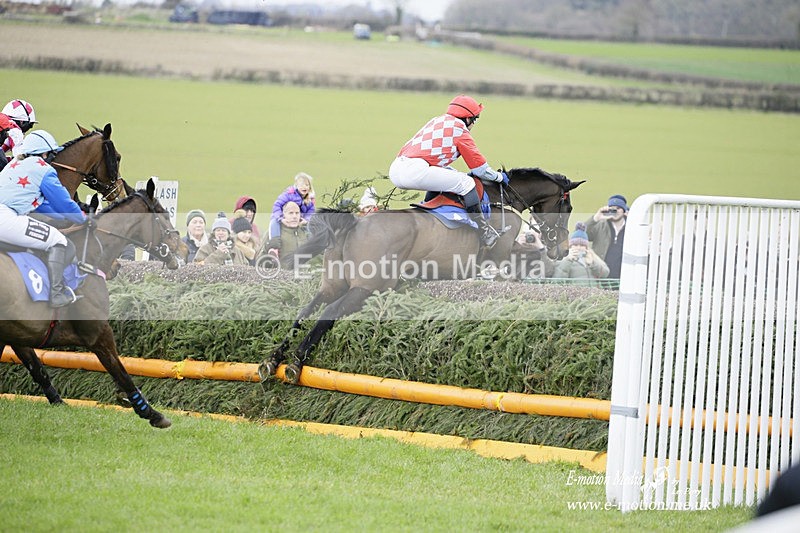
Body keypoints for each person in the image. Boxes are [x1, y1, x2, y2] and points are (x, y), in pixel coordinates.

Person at [388, 94, 508, 247]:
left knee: (450, 175)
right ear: (468, 118)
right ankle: (485, 232)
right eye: (475, 119)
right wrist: (499, 177)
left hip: (397, 167)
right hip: (414, 170)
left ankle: (427, 208)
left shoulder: (437, 121)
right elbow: (480, 170)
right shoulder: (461, 131)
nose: (473, 124)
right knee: (467, 183)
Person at [0, 130, 85, 307]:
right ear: (45, 153)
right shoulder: (44, 169)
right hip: (6, 219)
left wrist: (64, 218)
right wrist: (83, 219)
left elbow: (40, 205)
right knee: (59, 241)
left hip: (7, 216)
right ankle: (56, 294)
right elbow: (64, 203)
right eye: (52, 153)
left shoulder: (14, 164)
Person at [585, 194, 628, 279]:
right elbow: (582, 235)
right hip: (601, 275)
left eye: (618, 208)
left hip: (624, 276)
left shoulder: (631, 227)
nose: (615, 211)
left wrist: (633, 219)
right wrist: (595, 218)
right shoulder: (600, 225)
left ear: (624, 211)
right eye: (612, 209)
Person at [259, 201, 310, 268]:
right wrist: (268, 248)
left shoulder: (304, 232)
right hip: (282, 276)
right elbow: (259, 260)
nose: (294, 216)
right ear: (283, 215)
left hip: (304, 275)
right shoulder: (272, 233)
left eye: (297, 213)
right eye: (291, 213)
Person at [269, 172, 315, 239]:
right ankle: (274, 244)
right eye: (301, 185)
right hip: (283, 217)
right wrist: (280, 218)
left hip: (298, 219)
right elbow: (277, 205)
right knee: (274, 223)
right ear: (296, 186)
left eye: (307, 185)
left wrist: (306, 220)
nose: (304, 187)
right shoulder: (289, 194)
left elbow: (311, 211)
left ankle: (312, 243)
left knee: (310, 228)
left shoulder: (310, 200)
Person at [0, 99, 37, 171]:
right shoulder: (15, 130)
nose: (30, 128)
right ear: (21, 122)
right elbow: (19, 159)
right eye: (29, 125)